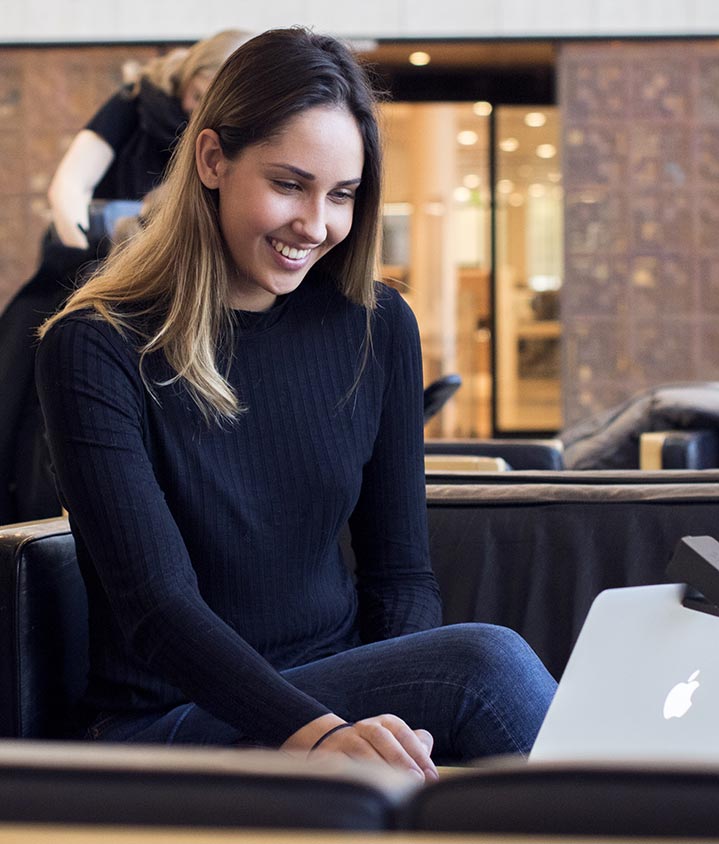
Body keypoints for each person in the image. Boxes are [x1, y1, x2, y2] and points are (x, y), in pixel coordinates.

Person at [35, 27, 556, 779]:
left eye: (341, 195)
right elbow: (156, 610)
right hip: (165, 721)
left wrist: (392, 727)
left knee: (467, 682)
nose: (315, 226)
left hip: (333, 697)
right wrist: (314, 732)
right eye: (289, 184)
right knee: (482, 662)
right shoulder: (96, 345)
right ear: (212, 159)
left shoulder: (376, 324)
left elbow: (401, 577)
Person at [47, 28, 250, 249]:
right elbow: (71, 183)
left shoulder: (226, 144)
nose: (197, 111)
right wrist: (80, 249)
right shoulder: (138, 98)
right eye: (197, 96)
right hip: (98, 248)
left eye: (209, 105)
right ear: (191, 71)